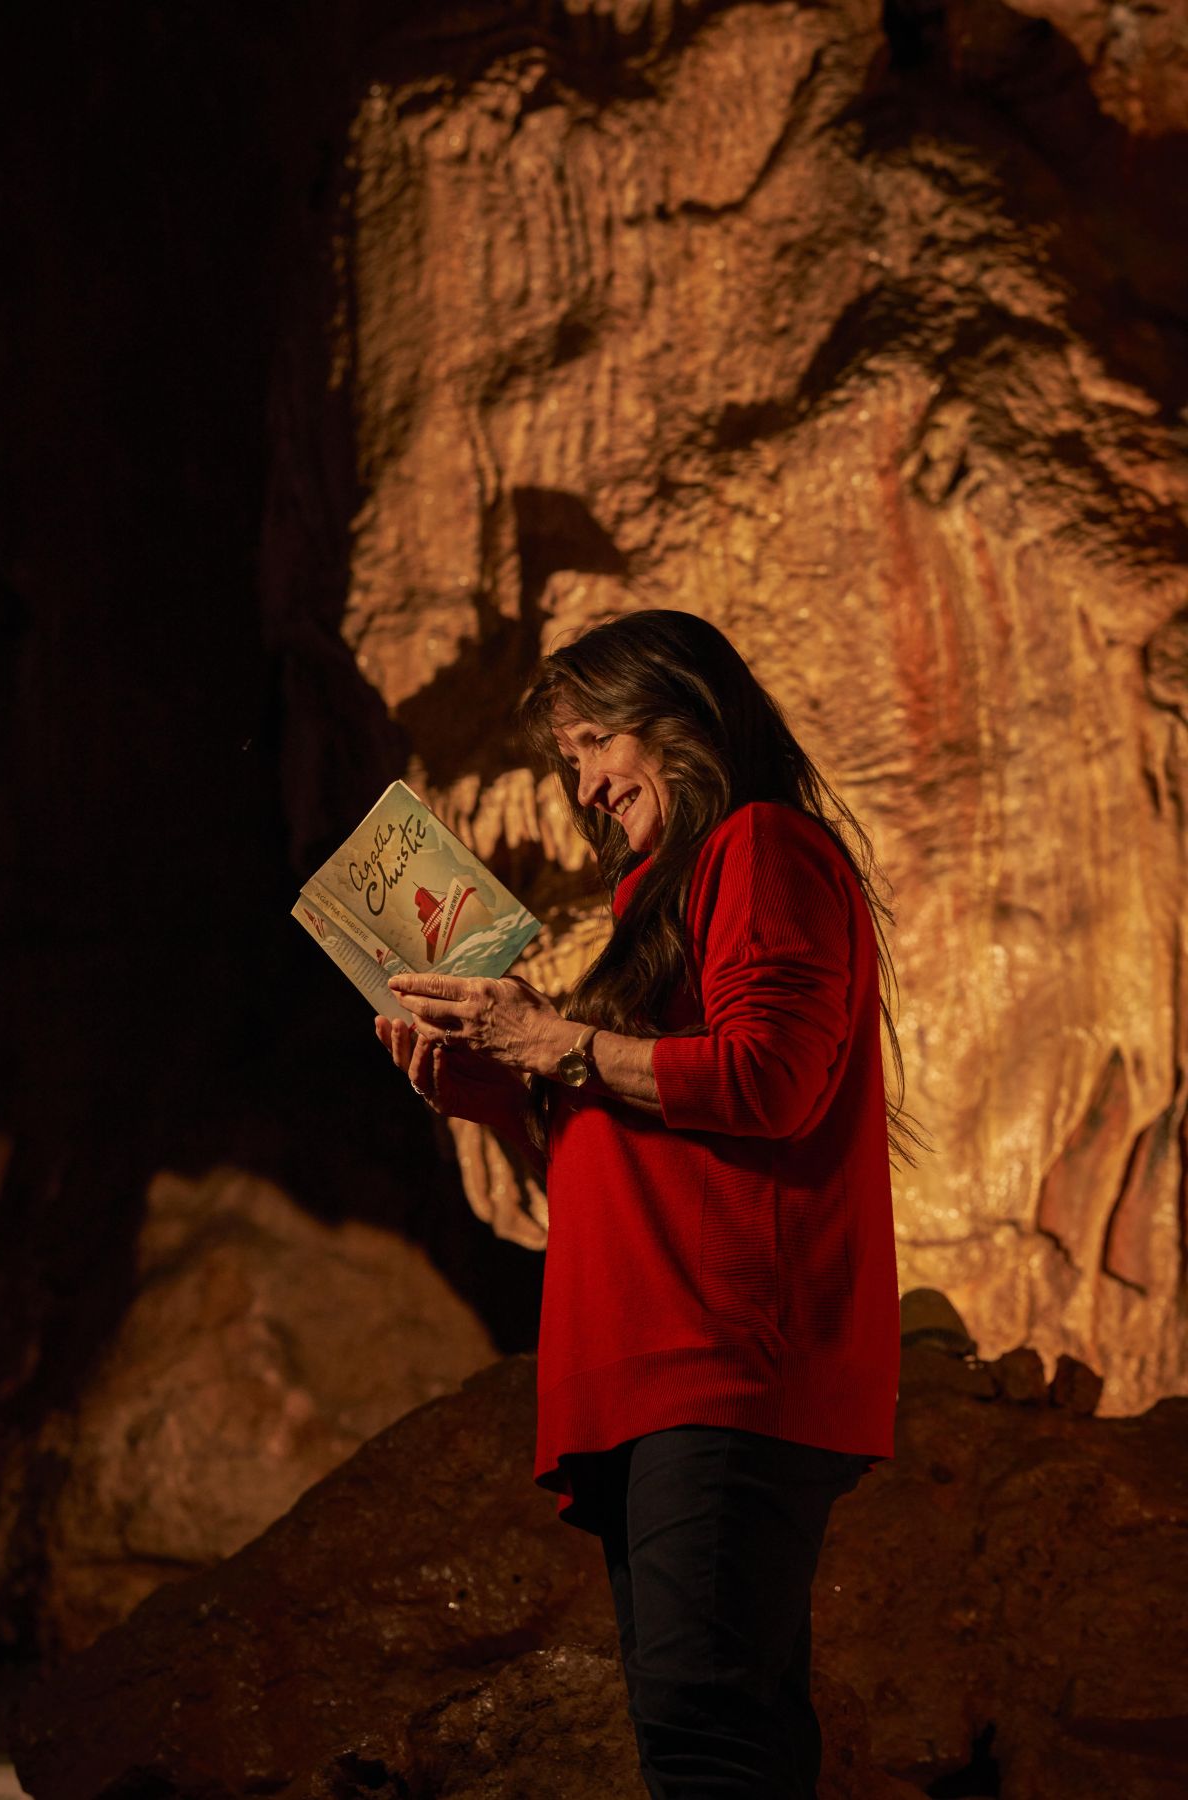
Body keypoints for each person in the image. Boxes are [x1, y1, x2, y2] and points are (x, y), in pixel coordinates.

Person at [376, 608, 922, 1800]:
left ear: (676, 717)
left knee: (703, 1736)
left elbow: (769, 1077)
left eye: (588, 743)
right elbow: (637, 1151)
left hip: (722, 1356)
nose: (579, 784)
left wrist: (550, 1038)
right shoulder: (657, 902)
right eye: (565, 759)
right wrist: (496, 1089)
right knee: (718, 1738)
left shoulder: (761, 847)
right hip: (659, 1359)